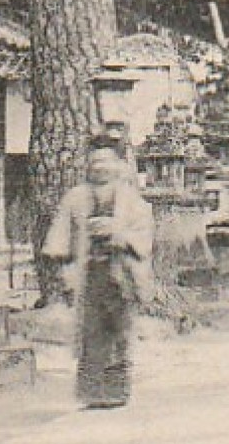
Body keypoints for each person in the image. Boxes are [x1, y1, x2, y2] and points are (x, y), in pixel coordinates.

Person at [41, 137, 156, 409]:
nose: (100, 167)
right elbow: (59, 238)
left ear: (118, 165)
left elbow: (144, 234)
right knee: (91, 334)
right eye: (95, 161)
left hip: (121, 273)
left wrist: (121, 235)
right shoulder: (75, 197)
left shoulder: (130, 198)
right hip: (89, 272)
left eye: (106, 160)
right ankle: (92, 393)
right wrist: (64, 268)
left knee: (119, 332)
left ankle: (116, 391)